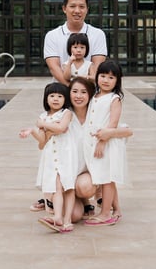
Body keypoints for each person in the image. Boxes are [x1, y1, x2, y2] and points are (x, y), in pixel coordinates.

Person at [65, 76, 132, 224]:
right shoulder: (65, 115)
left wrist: (106, 136)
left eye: (83, 92)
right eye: (74, 91)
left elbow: (127, 131)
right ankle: (83, 203)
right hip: (68, 176)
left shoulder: (95, 113)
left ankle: (95, 203)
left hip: (86, 175)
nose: (78, 96)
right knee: (74, 216)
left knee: (91, 183)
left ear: (90, 95)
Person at [19, 82, 77, 233]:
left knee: (68, 186)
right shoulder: (43, 116)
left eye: (60, 96)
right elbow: (43, 140)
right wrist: (32, 131)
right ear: (46, 98)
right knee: (56, 187)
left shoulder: (67, 113)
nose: (56, 99)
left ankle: (67, 219)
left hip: (66, 154)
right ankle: (57, 217)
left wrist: (43, 124)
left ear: (65, 99)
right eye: (52, 96)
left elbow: (61, 128)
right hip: (51, 156)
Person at [82, 61, 128, 226]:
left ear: (117, 81)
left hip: (106, 144)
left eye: (111, 77)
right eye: (102, 76)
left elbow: (112, 124)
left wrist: (102, 142)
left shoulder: (114, 99)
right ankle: (117, 210)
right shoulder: (95, 95)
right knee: (106, 177)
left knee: (107, 179)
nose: (106, 80)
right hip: (93, 143)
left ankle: (105, 213)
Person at [44, 0, 107, 85]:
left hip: (89, 90)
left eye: (82, 7)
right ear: (64, 9)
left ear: (87, 9)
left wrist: (82, 90)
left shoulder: (98, 34)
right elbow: (54, 68)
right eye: (72, 6)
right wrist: (73, 89)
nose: (77, 11)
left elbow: (97, 67)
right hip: (60, 92)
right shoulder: (52, 36)